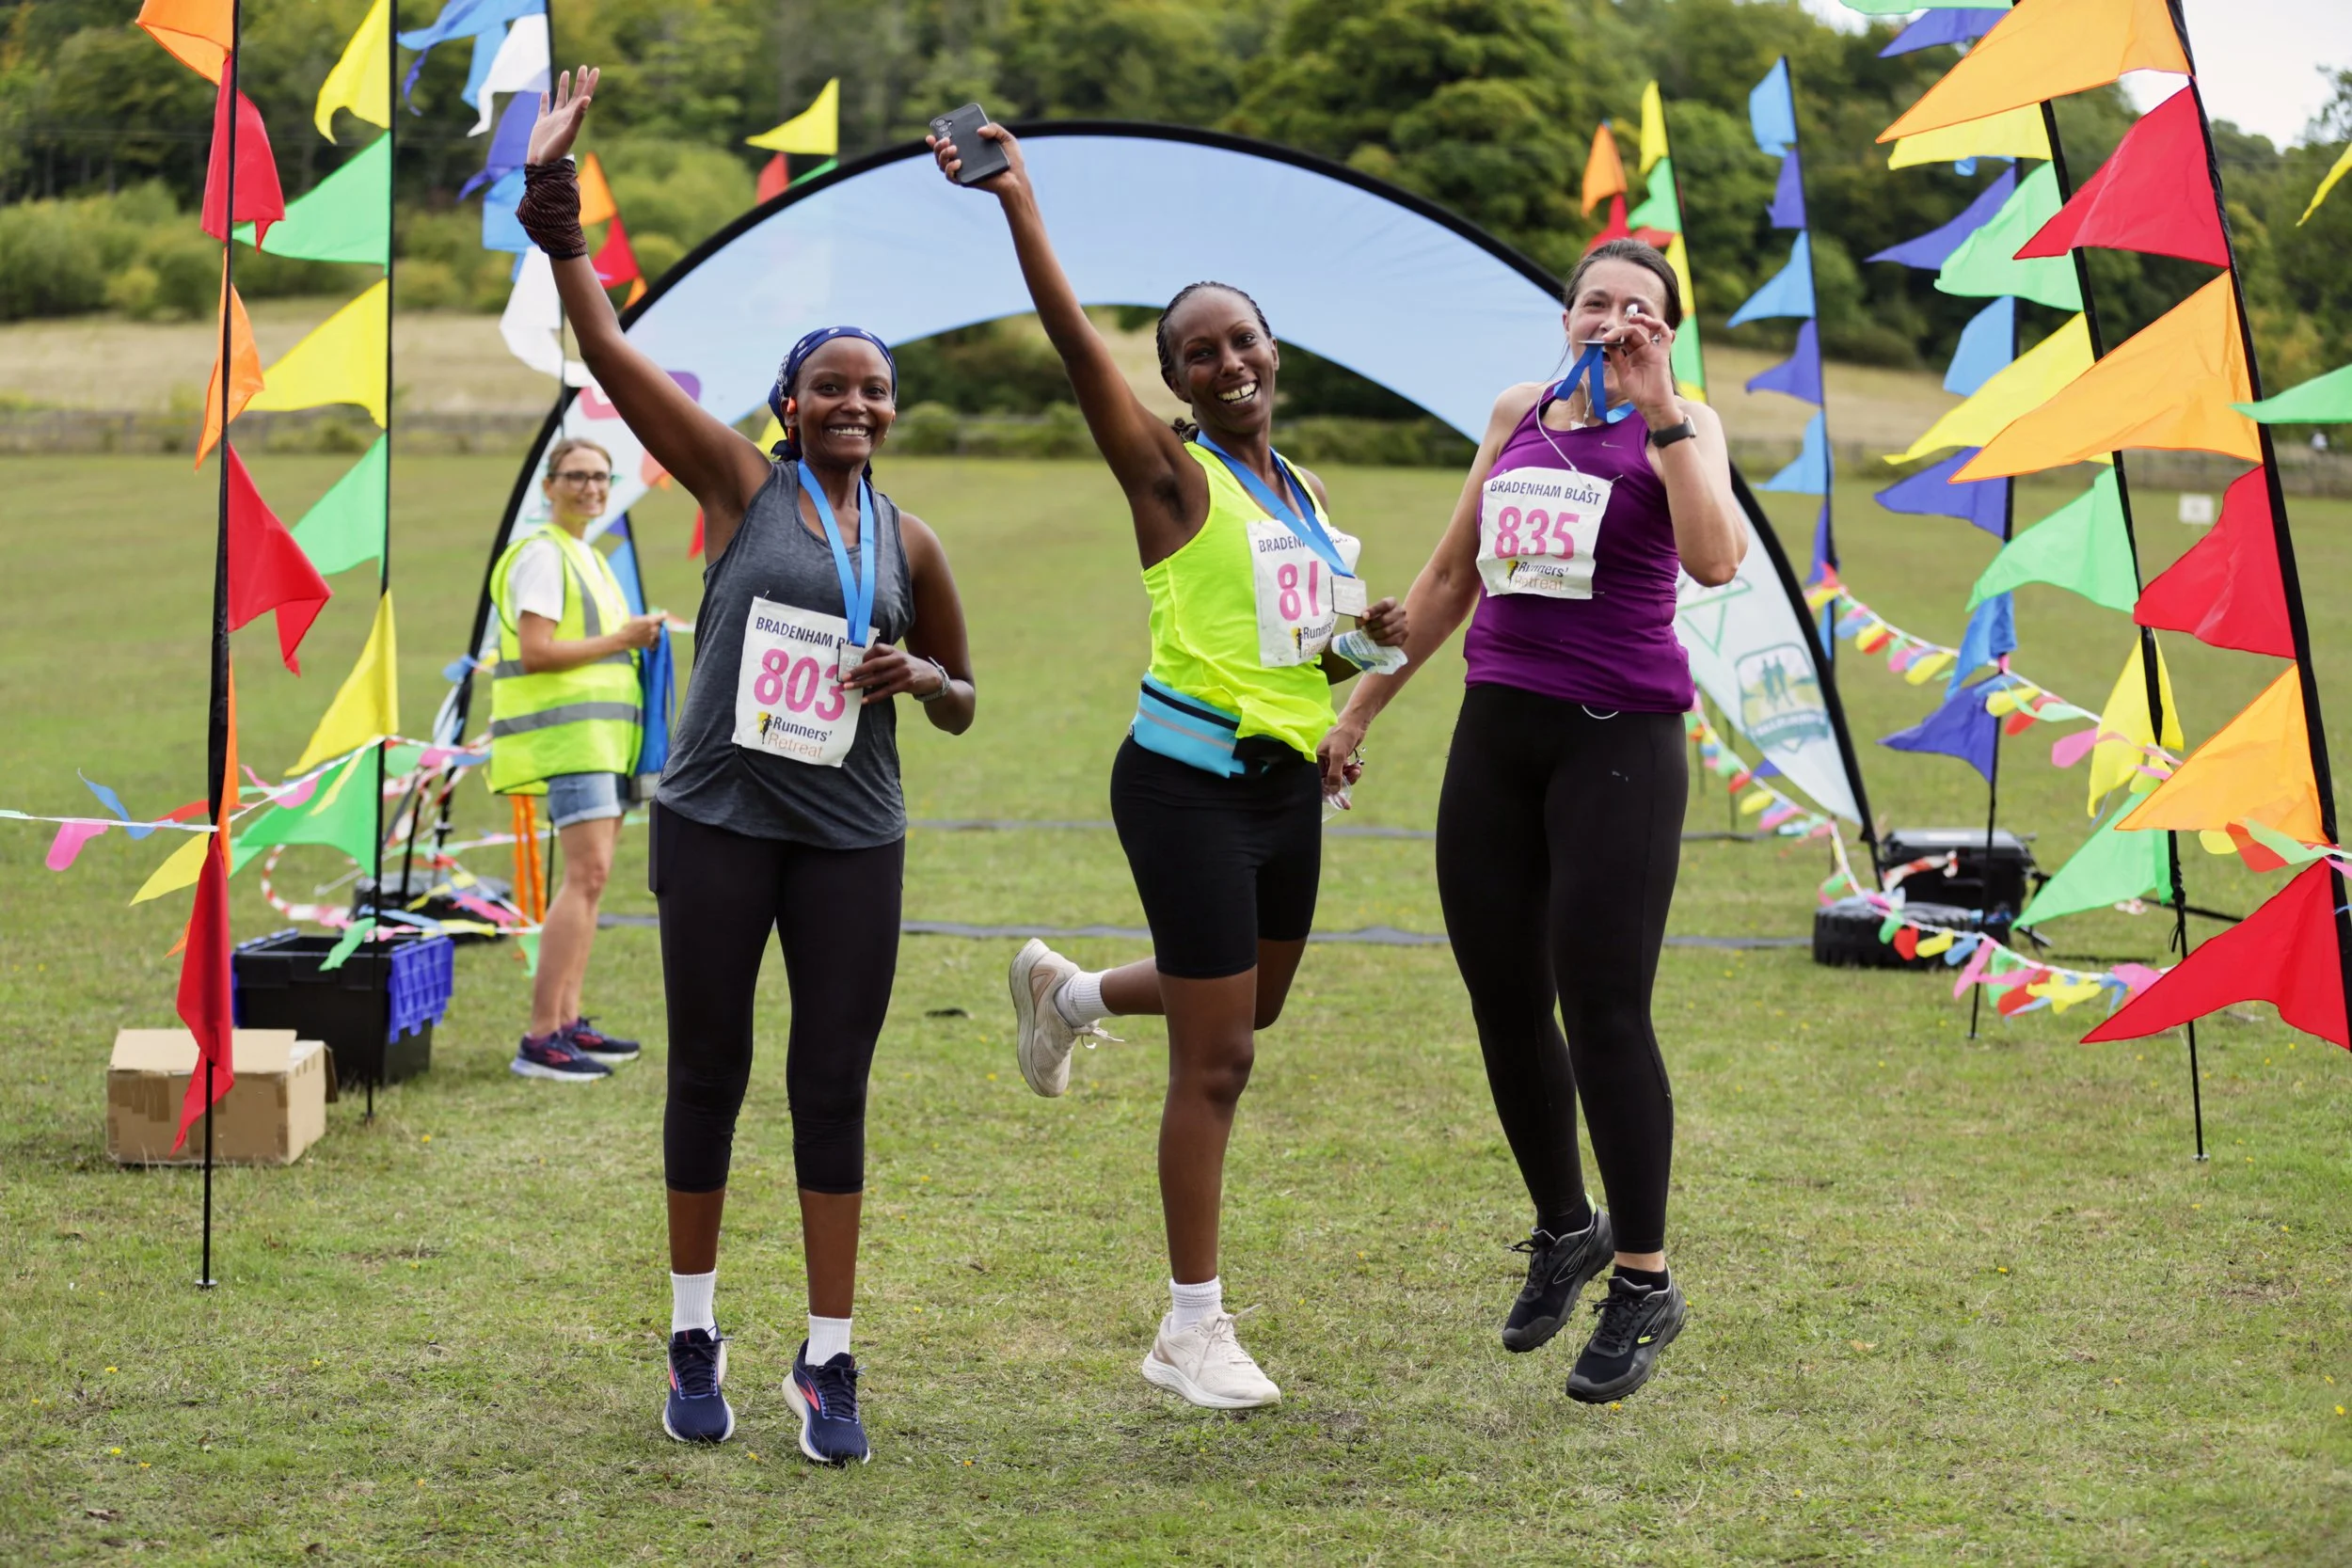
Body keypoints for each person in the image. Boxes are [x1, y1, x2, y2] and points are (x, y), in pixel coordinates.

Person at [520, 69, 978, 1464]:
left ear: (892, 412)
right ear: (788, 403)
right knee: (709, 1068)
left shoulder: (911, 545)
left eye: (876, 390)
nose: (855, 403)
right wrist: (556, 212)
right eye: (831, 385)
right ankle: (693, 1328)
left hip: (852, 832)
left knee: (830, 1082)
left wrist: (922, 675)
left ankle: (828, 1358)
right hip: (718, 817)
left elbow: (964, 701)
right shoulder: (735, 482)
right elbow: (609, 351)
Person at [930, 119, 1408, 1410]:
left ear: (1272, 351)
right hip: (1184, 786)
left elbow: (1292, 643)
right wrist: (1020, 204)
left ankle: (1071, 995)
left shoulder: (1297, 487)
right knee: (1220, 1058)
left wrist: (1350, 657)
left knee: (1256, 1008)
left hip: (1283, 788)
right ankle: (1189, 1327)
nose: (1227, 361)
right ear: (1181, 382)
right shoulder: (1167, 472)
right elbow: (1076, 339)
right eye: (1199, 352)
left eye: (1241, 340)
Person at [1317, 239, 1745, 1404]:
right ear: (1565, 315)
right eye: (1594, 301)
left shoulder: (1686, 422)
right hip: (1497, 737)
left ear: (1665, 329)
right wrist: (1355, 712)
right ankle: (1566, 1228)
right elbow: (1450, 577)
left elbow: (1715, 560)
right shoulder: (1518, 410)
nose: (1612, 319)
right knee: (1502, 998)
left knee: (1603, 1008)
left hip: (1619, 744)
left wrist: (1660, 411)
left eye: (1638, 309)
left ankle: (1645, 1279)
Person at [488, 435, 666, 1084]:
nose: (591, 486)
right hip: (572, 742)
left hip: (602, 742)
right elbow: (537, 651)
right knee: (584, 877)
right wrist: (622, 637)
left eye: (600, 476)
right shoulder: (542, 555)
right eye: (577, 475)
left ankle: (565, 1020)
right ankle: (541, 1035)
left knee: (591, 880)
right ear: (550, 484)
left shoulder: (584, 554)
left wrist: (633, 637)